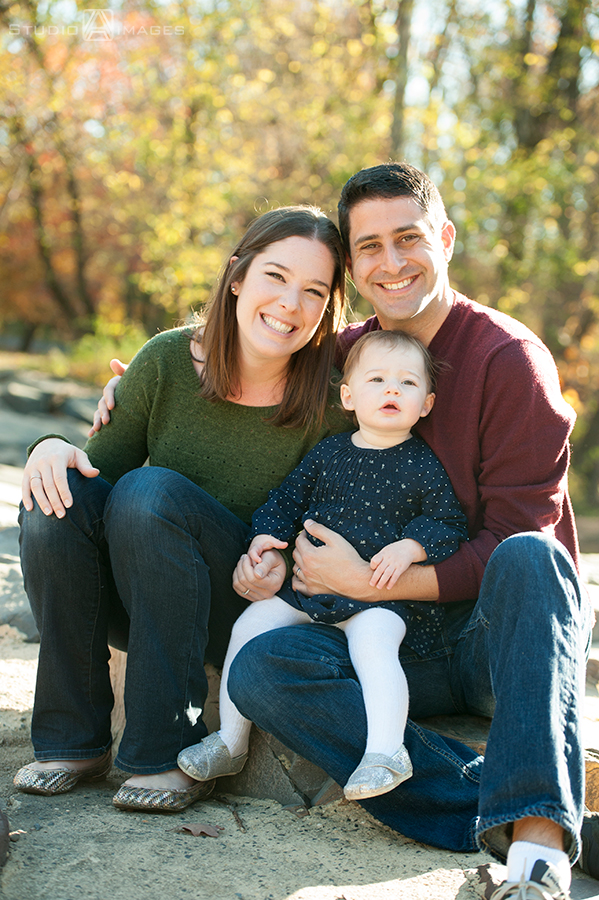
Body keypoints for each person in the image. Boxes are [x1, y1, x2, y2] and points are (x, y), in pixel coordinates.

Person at [88, 164, 594, 899]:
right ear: (352, 268)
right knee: (263, 664)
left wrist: (365, 580)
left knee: (528, 556)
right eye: (369, 248)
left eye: (408, 238)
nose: (391, 262)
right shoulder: (347, 360)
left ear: (444, 239)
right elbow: (244, 359)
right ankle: (498, 807)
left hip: (492, 640)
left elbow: (516, 539)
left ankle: (540, 844)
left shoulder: (507, 361)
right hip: (386, 640)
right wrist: (136, 381)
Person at [13, 205, 352, 813]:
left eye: (314, 291)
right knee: (54, 500)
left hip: (239, 609)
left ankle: (167, 751)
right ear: (237, 276)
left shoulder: (329, 406)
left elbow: (329, 535)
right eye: (275, 276)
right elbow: (95, 476)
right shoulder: (168, 360)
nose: (290, 304)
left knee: (149, 493)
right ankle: (73, 740)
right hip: (141, 594)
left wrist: (281, 567)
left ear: (328, 309)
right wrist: (47, 448)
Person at [176, 330, 468, 801]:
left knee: (375, 646)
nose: (392, 390)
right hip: (307, 589)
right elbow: (288, 498)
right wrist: (266, 539)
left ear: (427, 404)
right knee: (251, 624)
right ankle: (230, 740)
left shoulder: (423, 465)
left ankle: (385, 751)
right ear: (349, 396)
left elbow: (448, 522)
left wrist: (411, 547)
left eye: (407, 383)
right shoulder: (329, 453)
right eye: (377, 379)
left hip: (378, 596)